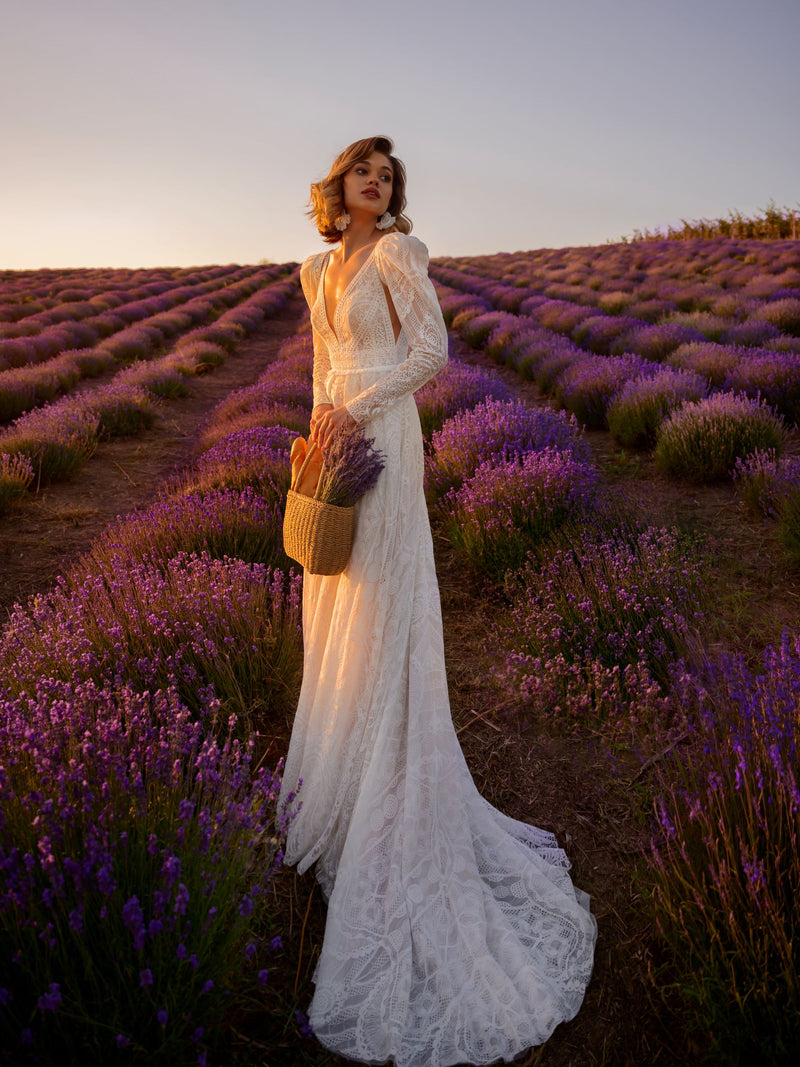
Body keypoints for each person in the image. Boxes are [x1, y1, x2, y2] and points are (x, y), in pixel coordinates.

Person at [278, 135, 597, 1067]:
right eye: (360, 173)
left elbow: (432, 350)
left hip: (386, 439)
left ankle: (391, 781)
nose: (373, 185)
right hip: (337, 445)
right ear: (336, 185)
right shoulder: (312, 269)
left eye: (386, 177)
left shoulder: (402, 255)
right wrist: (312, 443)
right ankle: (338, 783)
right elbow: (315, 370)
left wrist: (356, 406)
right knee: (335, 606)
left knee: (385, 608)